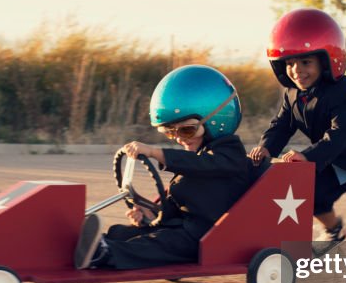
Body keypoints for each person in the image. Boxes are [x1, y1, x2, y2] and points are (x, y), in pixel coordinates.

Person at [248, 8, 346, 253]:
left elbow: (341, 133)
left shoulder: (341, 91)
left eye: (305, 62)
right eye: (290, 63)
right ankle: (334, 230)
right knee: (310, 193)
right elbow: (281, 125)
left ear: (327, 61)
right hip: (335, 157)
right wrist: (266, 148)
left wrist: (308, 156)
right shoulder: (292, 94)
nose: (297, 70)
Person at [75, 65, 262, 270]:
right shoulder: (195, 155)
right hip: (180, 227)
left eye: (187, 130)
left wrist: (156, 153)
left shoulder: (230, 154)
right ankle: (93, 245)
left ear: (216, 121)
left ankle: (104, 253)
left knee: (157, 244)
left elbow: (204, 165)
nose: (180, 139)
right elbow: (178, 200)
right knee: (124, 233)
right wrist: (152, 214)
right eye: (171, 132)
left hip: (205, 237)